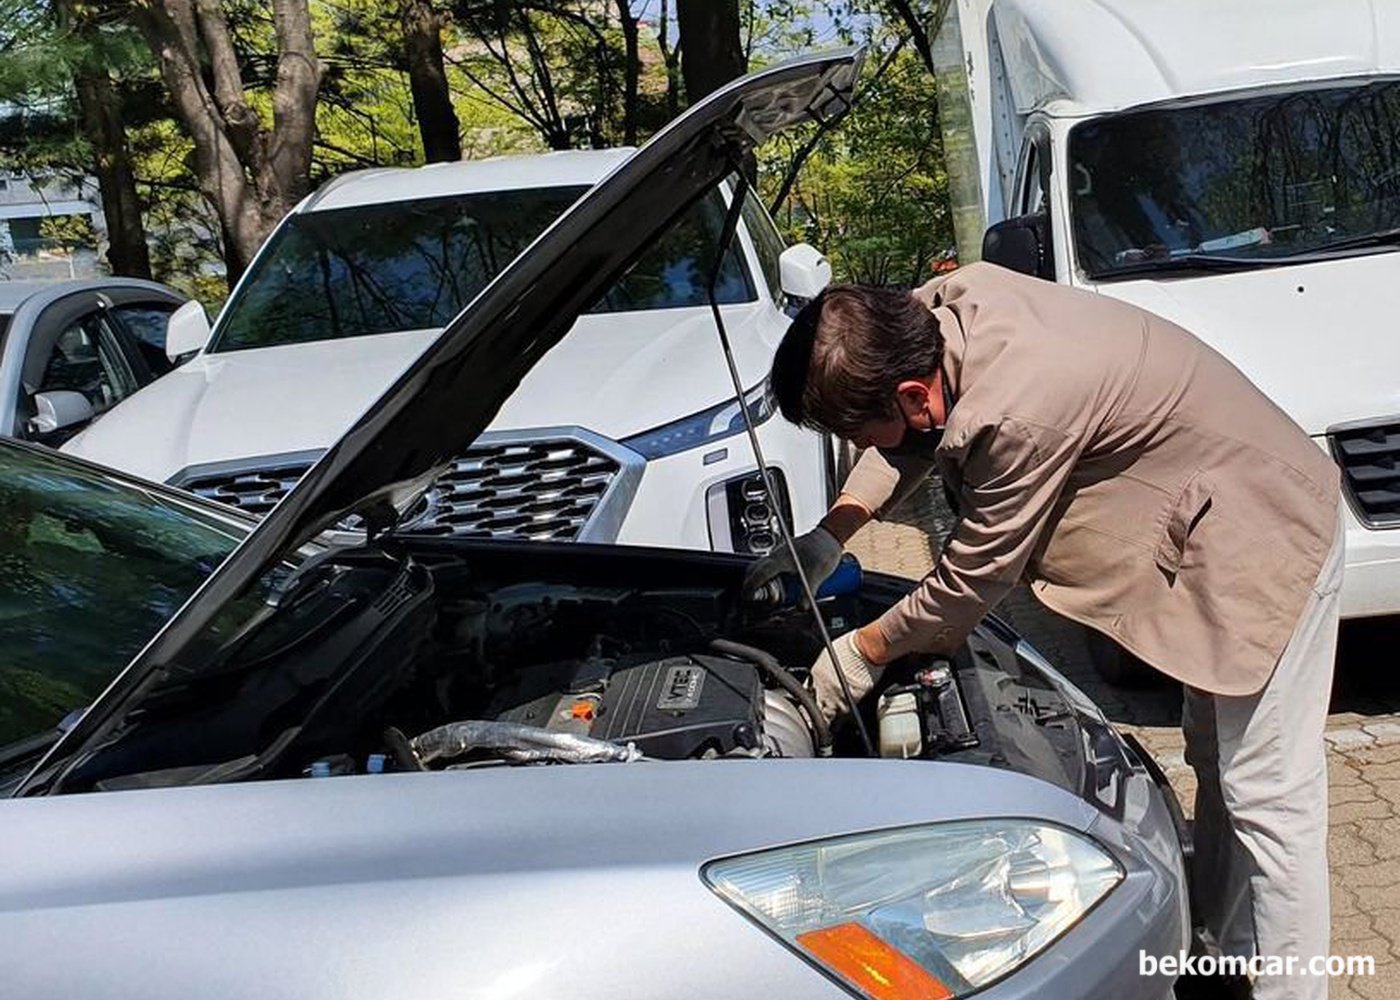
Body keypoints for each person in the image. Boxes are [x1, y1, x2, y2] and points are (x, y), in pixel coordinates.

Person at [745, 261, 1343, 1000]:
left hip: (1267, 531)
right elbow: (899, 445)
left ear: (911, 394)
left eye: (851, 428)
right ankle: (1220, 953)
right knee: (1214, 757)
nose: (857, 443)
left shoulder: (1024, 404)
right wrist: (835, 531)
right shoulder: (927, 319)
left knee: (1269, 794)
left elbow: (972, 579)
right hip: (1209, 525)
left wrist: (864, 651)